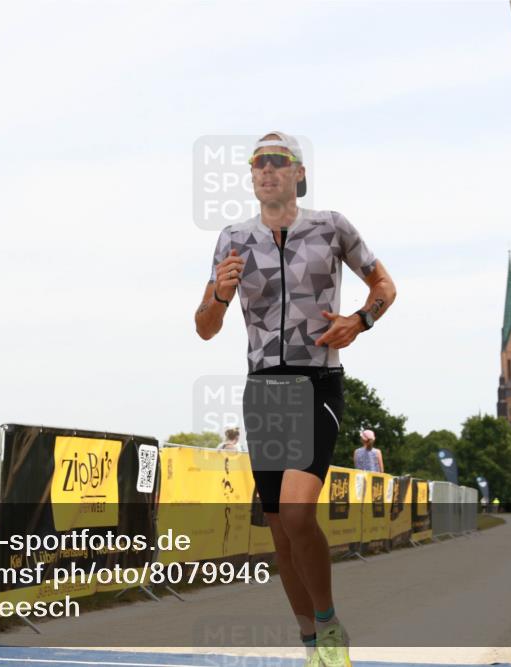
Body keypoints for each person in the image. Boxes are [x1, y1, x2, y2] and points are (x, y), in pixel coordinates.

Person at [195, 131, 396, 667]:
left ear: (298, 173)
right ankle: (312, 644)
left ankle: (329, 625)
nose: (266, 170)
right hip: (264, 390)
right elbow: (205, 328)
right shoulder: (233, 239)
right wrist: (220, 294)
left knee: (298, 511)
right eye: (257, 162)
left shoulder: (331, 226)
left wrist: (360, 320)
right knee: (281, 532)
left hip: (316, 382)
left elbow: (385, 286)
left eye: (278, 160)